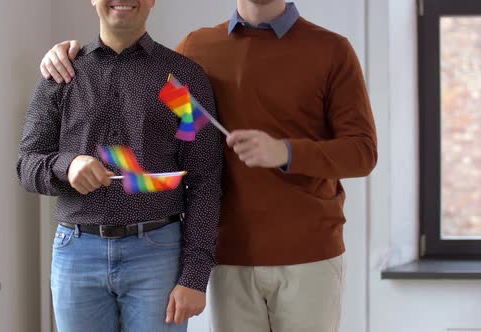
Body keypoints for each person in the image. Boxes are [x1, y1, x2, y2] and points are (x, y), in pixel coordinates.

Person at [40, 1, 377, 331]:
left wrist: (286, 153)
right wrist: (66, 54)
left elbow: (362, 152)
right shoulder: (198, 48)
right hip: (230, 257)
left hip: (309, 256)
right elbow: (133, 71)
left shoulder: (332, 50)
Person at [17, 0, 222, 331]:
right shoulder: (63, 74)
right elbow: (27, 164)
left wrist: (195, 276)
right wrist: (66, 167)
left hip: (158, 255)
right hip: (75, 256)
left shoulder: (178, 81)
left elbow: (204, 180)